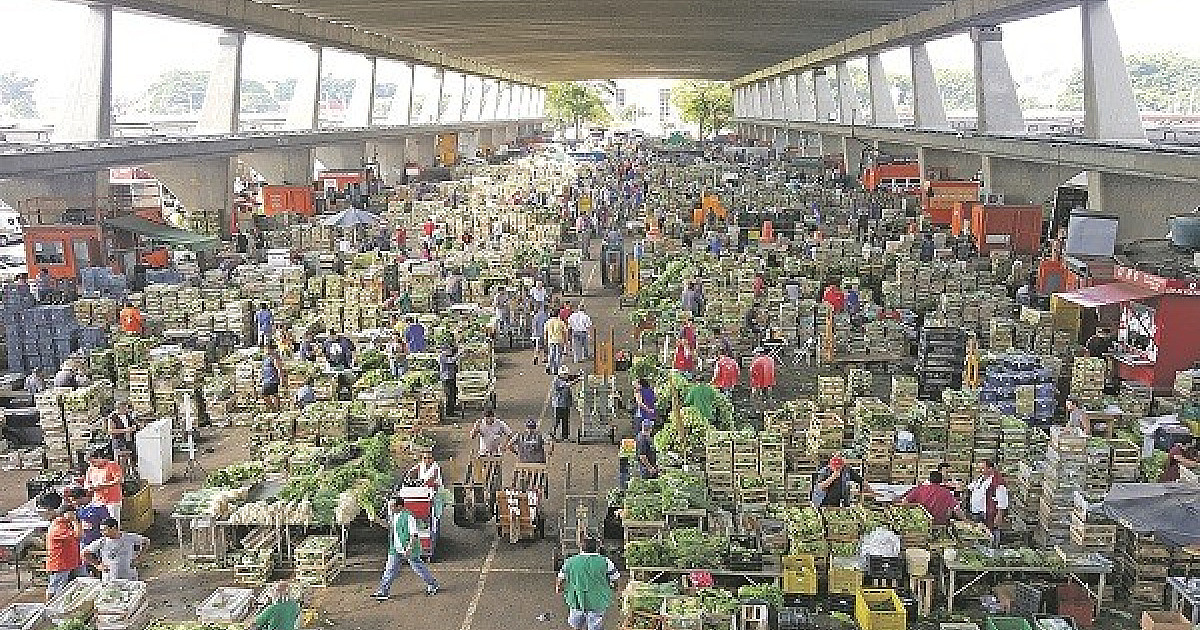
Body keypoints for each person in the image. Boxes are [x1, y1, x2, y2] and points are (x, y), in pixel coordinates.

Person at [372, 496, 439, 599]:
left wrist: (409, 548)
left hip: (408, 548)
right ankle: (383, 591)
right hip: (395, 548)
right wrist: (377, 520)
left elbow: (414, 534)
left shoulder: (408, 517)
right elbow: (390, 527)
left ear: (399, 506)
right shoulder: (393, 515)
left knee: (418, 568)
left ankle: (433, 585)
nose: (390, 508)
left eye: (392, 506)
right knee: (389, 570)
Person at [556, 537, 619, 630]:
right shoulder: (606, 561)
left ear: (581, 548)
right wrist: (614, 588)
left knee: (576, 624)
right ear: (597, 548)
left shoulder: (570, 561)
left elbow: (561, 578)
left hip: (576, 597)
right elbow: (614, 578)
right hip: (598, 599)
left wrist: (559, 587)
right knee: (595, 624)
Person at [39, 492, 82, 602]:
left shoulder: (63, 523)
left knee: (61, 588)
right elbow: (79, 535)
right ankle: (49, 609)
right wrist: (74, 520)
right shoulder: (59, 526)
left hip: (68, 563)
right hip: (60, 565)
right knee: (56, 591)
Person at [82, 518, 148, 581]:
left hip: (129, 577)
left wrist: (140, 556)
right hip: (110, 578)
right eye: (101, 530)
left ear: (114, 528)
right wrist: (97, 565)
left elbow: (146, 541)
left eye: (104, 530)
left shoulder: (129, 537)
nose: (102, 532)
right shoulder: (101, 542)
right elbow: (84, 553)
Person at [900, 471, 967, 526]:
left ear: (929, 479)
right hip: (940, 524)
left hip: (921, 524)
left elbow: (904, 502)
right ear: (941, 481)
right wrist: (965, 520)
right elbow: (957, 509)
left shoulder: (920, 489)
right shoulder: (947, 493)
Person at [967, 459, 1008, 544]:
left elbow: (1002, 501)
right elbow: (971, 487)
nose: (980, 470)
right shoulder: (982, 477)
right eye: (979, 468)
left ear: (990, 468)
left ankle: (993, 547)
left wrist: (999, 515)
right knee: (978, 534)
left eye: (982, 468)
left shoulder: (998, 483)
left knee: (991, 532)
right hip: (977, 511)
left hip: (988, 513)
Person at [83, 448, 124, 522]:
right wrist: (88, 487)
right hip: (97, 500)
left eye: (94, 462)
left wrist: (103, 486)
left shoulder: (111, 465)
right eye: (90, 463)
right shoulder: (91, 468)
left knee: (112, 521)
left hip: (112, 500)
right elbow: (87, 481)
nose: (92, 464)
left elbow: (119, 480)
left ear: (100, 458)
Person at [64, 487, 109, 552]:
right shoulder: (78, 510)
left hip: (97, 543)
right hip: (83, 543)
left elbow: (107, 524)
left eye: (73, 500)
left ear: (82, 497)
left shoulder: (99, 508)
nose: (72, 503)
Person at [552, 367, 581, 441]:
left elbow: (571, 377)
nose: (567, 375)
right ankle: (552, 433)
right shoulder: (558, 381)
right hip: (559, 404)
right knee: (557, 420)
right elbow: (568, 384)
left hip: (566, 404)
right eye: (565, 374)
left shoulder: (563, 378)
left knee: (565, 420)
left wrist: (578, 375)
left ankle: (565, 436)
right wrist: (578, 379)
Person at [107, 402, 136, 474]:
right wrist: (125, 430)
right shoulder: (112, 417)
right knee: (120, 461)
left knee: (131, 458)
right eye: (125, 408)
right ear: (119, 408)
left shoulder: (128, 416)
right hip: (118, 441)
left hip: (129, 440)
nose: (127, 409)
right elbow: (111, 431)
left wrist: (134, 427)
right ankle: (120, 477)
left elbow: (133, 424)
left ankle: (129, 476)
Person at [439, 342, 461, 418]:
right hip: (446, 379)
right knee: (449, 395)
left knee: (453, 394)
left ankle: (453, 409)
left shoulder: (447, 355)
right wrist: (458, 355)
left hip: (451, 377)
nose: (450, 351)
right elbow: (451, 361)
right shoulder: (442, 356)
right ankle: (449, 413)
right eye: (448, 350)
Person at [545, 309, 568, 375]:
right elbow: (565, 332)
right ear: (558, 314)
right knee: (558, 355)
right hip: (559, 340)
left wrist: (546, 340)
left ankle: (549, 366)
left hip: (551, 340)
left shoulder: (548, 322)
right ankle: (556, 369)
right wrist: (565, 341)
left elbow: (545, 332)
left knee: (551, 354)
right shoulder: (560, 322)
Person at [261, 343, 283, 411]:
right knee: (265, 395)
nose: (265, 350)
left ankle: (277, 409)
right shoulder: (265, 358)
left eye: (266, 348)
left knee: (274, 395)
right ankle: (273, 409)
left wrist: (281, 379)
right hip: (266, 380)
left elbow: (279, 368)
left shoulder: (274, 357)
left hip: (273, 379)